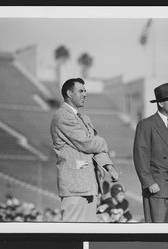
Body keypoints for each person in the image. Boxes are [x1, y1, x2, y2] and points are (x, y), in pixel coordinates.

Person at [50, 78, 119, 222]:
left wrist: (109, 167)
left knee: (87, 234)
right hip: (74, 187)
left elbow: (94, 147)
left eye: (85, 91)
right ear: (69, 93)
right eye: (81, 91)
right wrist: (102, 141)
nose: (85, 94)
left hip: (90, 186)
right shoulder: (62, 116)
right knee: (72, 236)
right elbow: (87, 143)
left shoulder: (83, 117)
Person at [133, 82, 168, 223]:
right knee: (157, 235)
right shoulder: (146, 125)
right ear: (160, 103)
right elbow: (140, 157)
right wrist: (149, 182)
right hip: (156, 189)